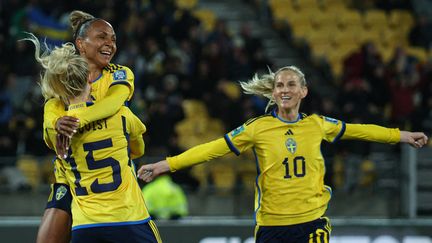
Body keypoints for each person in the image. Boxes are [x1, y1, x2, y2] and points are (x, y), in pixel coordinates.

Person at [138, 65, 428, 242]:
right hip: (271, 227)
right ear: (273, 93)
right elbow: (211, 149)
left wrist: (402, 136)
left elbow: (361, 130)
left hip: (311, 223)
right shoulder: (257, 128)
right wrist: (167, 164)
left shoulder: (318, 125)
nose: (284, 89)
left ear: (304, 91)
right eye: (279, 85)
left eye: (291, 84)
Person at [25, 33, 162, 242]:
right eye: (101, 38)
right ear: (81, 44)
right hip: (115, 203)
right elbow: (137, 146)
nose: (109, 44)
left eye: (113, 39)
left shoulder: (61, 107)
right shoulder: (121, 113)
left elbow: (49, 132)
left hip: (85, 210)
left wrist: (67, 123)